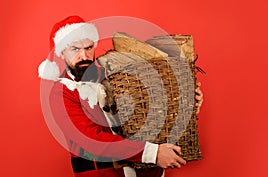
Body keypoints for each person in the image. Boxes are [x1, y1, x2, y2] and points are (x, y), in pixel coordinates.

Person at [38, 15, 203, 177]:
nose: (84, 56)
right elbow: (90, 140)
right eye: (75, 49)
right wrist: (153, 153)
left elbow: (149, 105)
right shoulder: (61, 93)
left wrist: (184, 100)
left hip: (147, 171)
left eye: (88, 48)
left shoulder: (112, 72)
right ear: (61, 53)